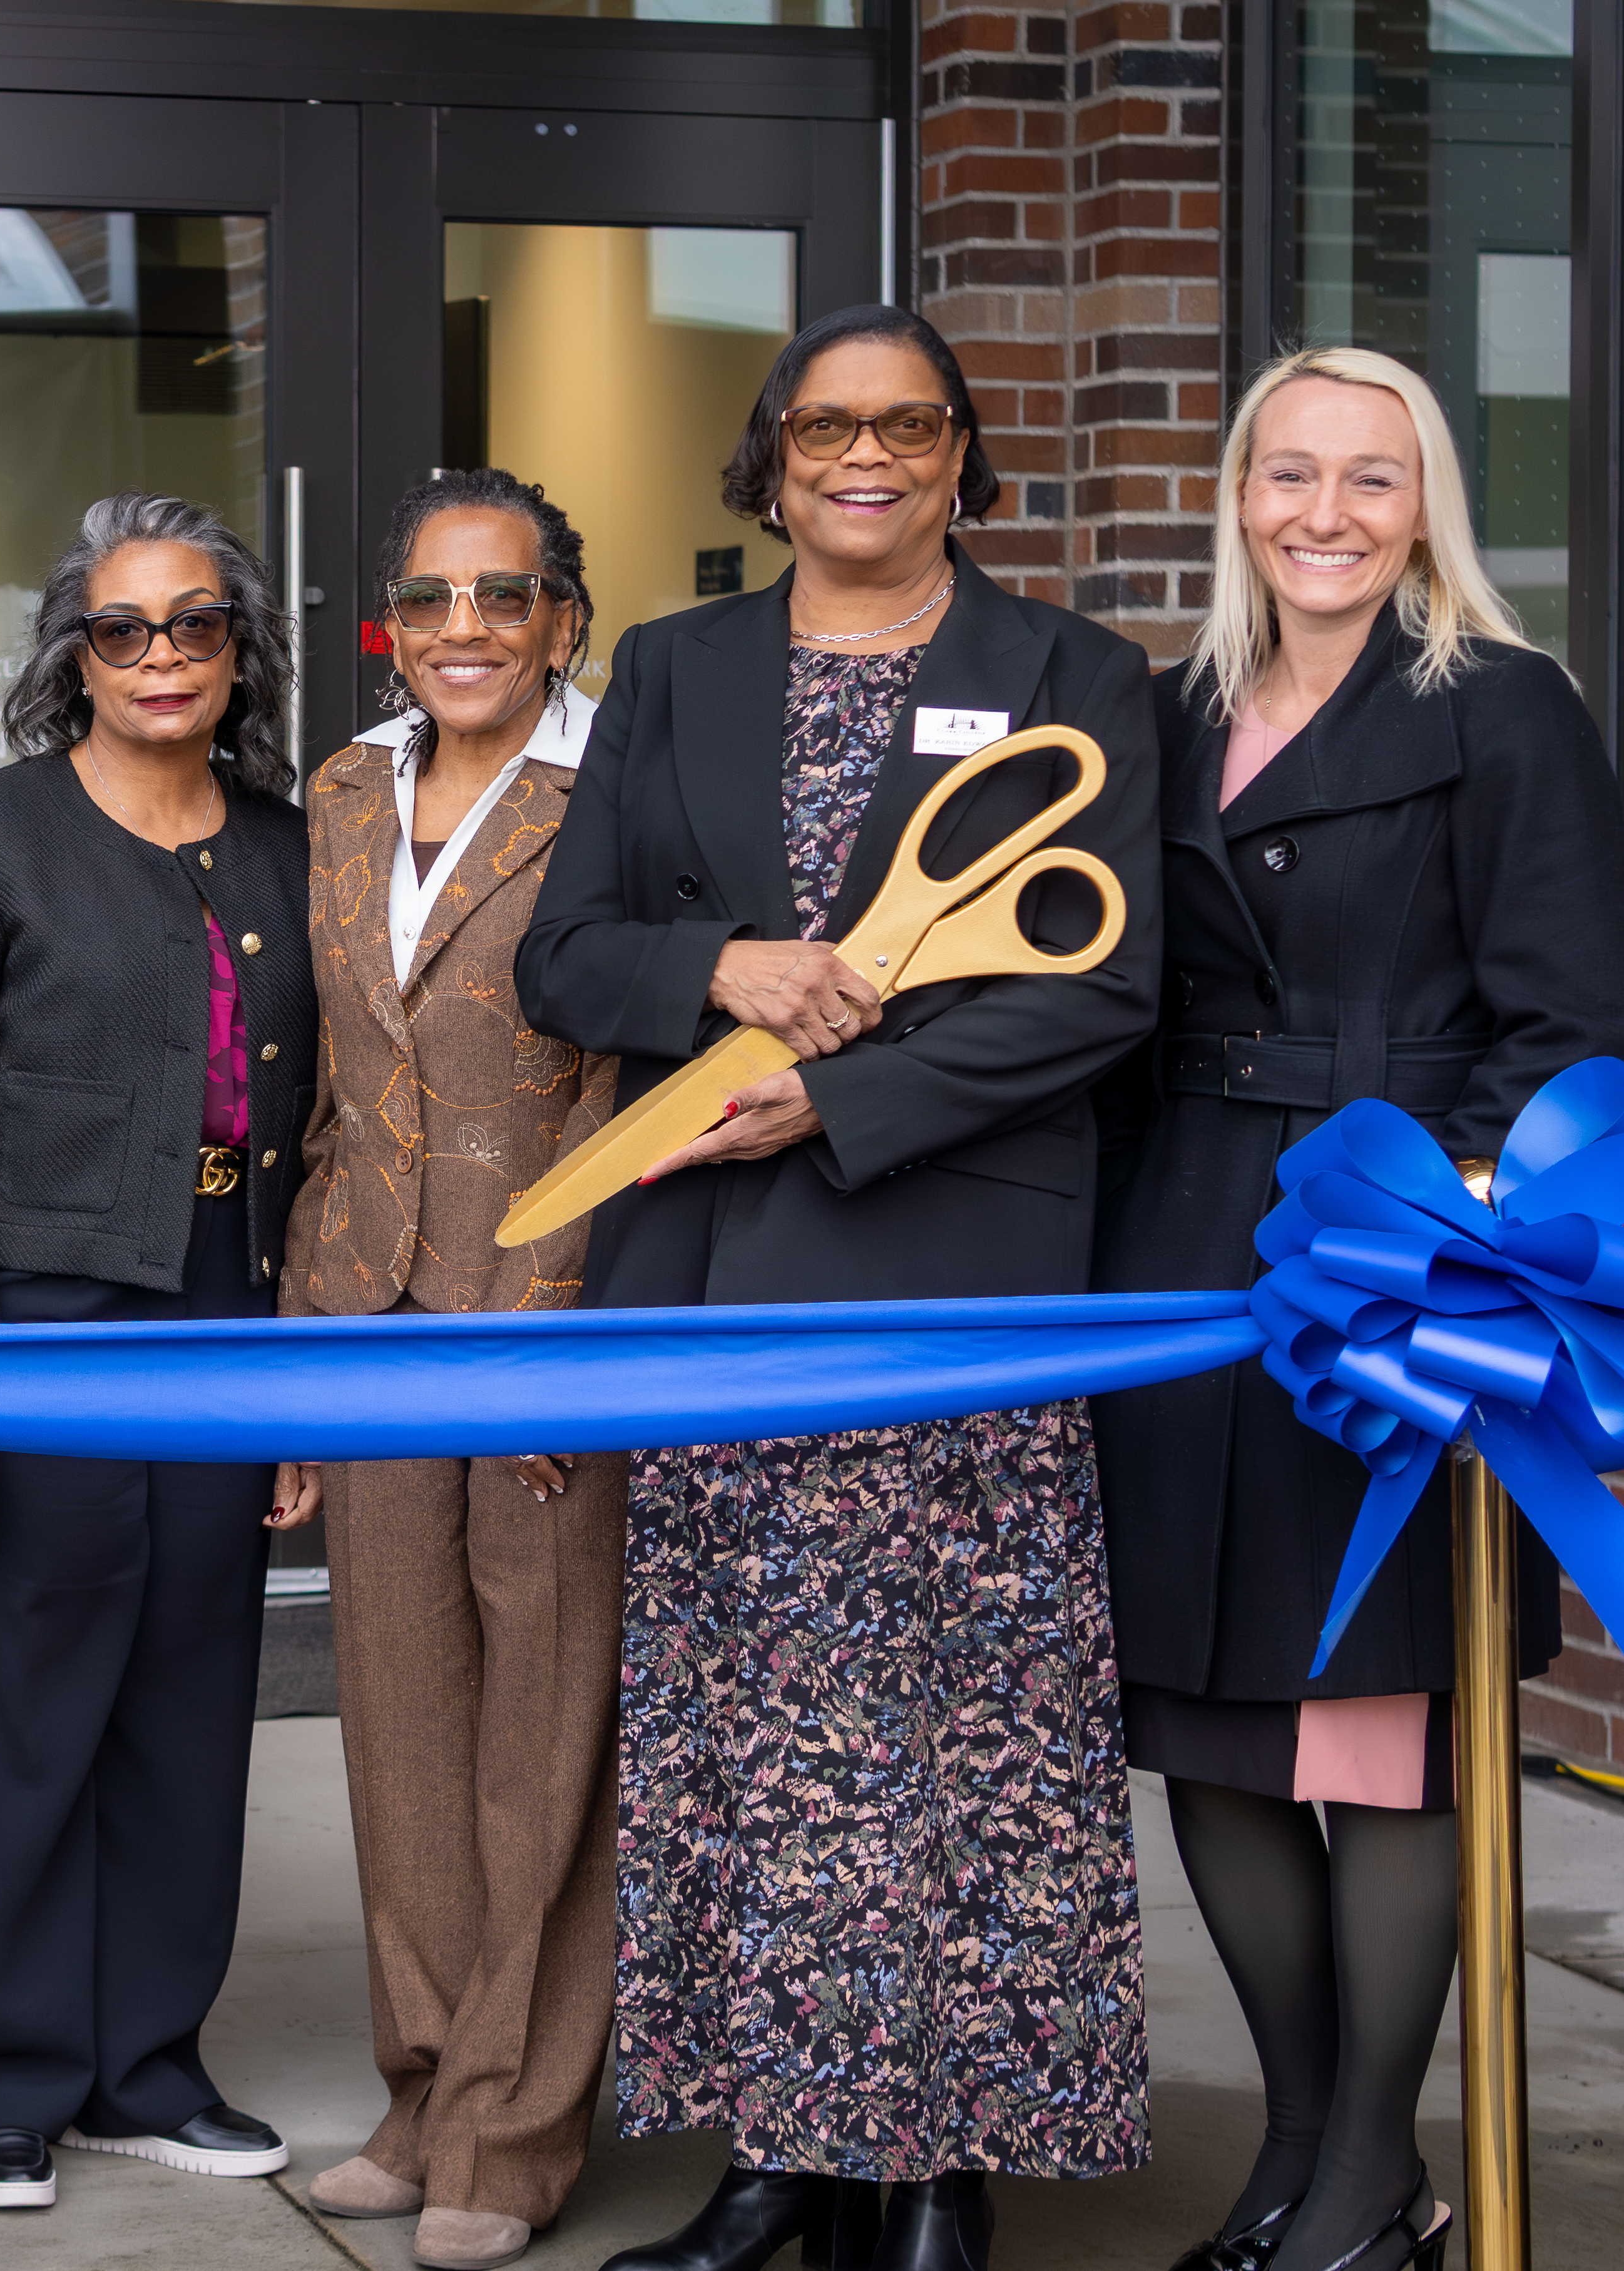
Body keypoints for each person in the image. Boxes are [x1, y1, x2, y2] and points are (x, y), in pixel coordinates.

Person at [515, 302, 1163, 2271]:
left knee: (966, 1732)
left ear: (966, 450)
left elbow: (1104, 990)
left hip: (952, 1273)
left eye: (906, 425)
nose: (861, 459)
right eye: (822, 430)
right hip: (716, 1291)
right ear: (770, 458)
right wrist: (718, 974)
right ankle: (777, 2158)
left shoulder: (1076, 673)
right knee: (747, 1729)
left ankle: (935, 2167)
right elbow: (568, 951)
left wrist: (835, 1096)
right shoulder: (676, 663)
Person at [1091, 345, 1624, 2271]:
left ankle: (1364, 2178)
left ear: (1427, 508)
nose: (1323, 512)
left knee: (1378, 1710)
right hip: (1177, 1250)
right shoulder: (1162, 717)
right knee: (1216, 1715)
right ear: (1236, 495)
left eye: (1371, 478)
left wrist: (1450, 1236)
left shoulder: (1504, 710)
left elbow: (1569, 1027)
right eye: (1287, 472)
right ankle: (1307, 2148)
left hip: (1402, 1250)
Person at [0, 491, 314, 2215]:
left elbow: (317, 1124)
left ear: (235, 650)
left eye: (193, 624)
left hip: (224, 1304)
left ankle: (144, 2065)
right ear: (75, 653)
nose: (159, 657)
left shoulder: (278, 846)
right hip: (34, 1321)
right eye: (122, 629)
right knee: (15, 1702)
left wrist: (293, 1393)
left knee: (188, 1698)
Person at [276, 469, 620, 2271]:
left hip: (548, 1310)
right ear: (389, 623)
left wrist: (573, 1319)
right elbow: (333, 1080)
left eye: (505, 596)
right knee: (399, 1719)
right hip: (364, 1307)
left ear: (565, 614)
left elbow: (647, 1072)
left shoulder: (624, 786)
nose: (466, 629)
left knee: (541, 1739)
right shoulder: (341, 788)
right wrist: (294, 1333)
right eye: (430, 599)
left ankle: (517, 2119)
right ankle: (419, 2083)